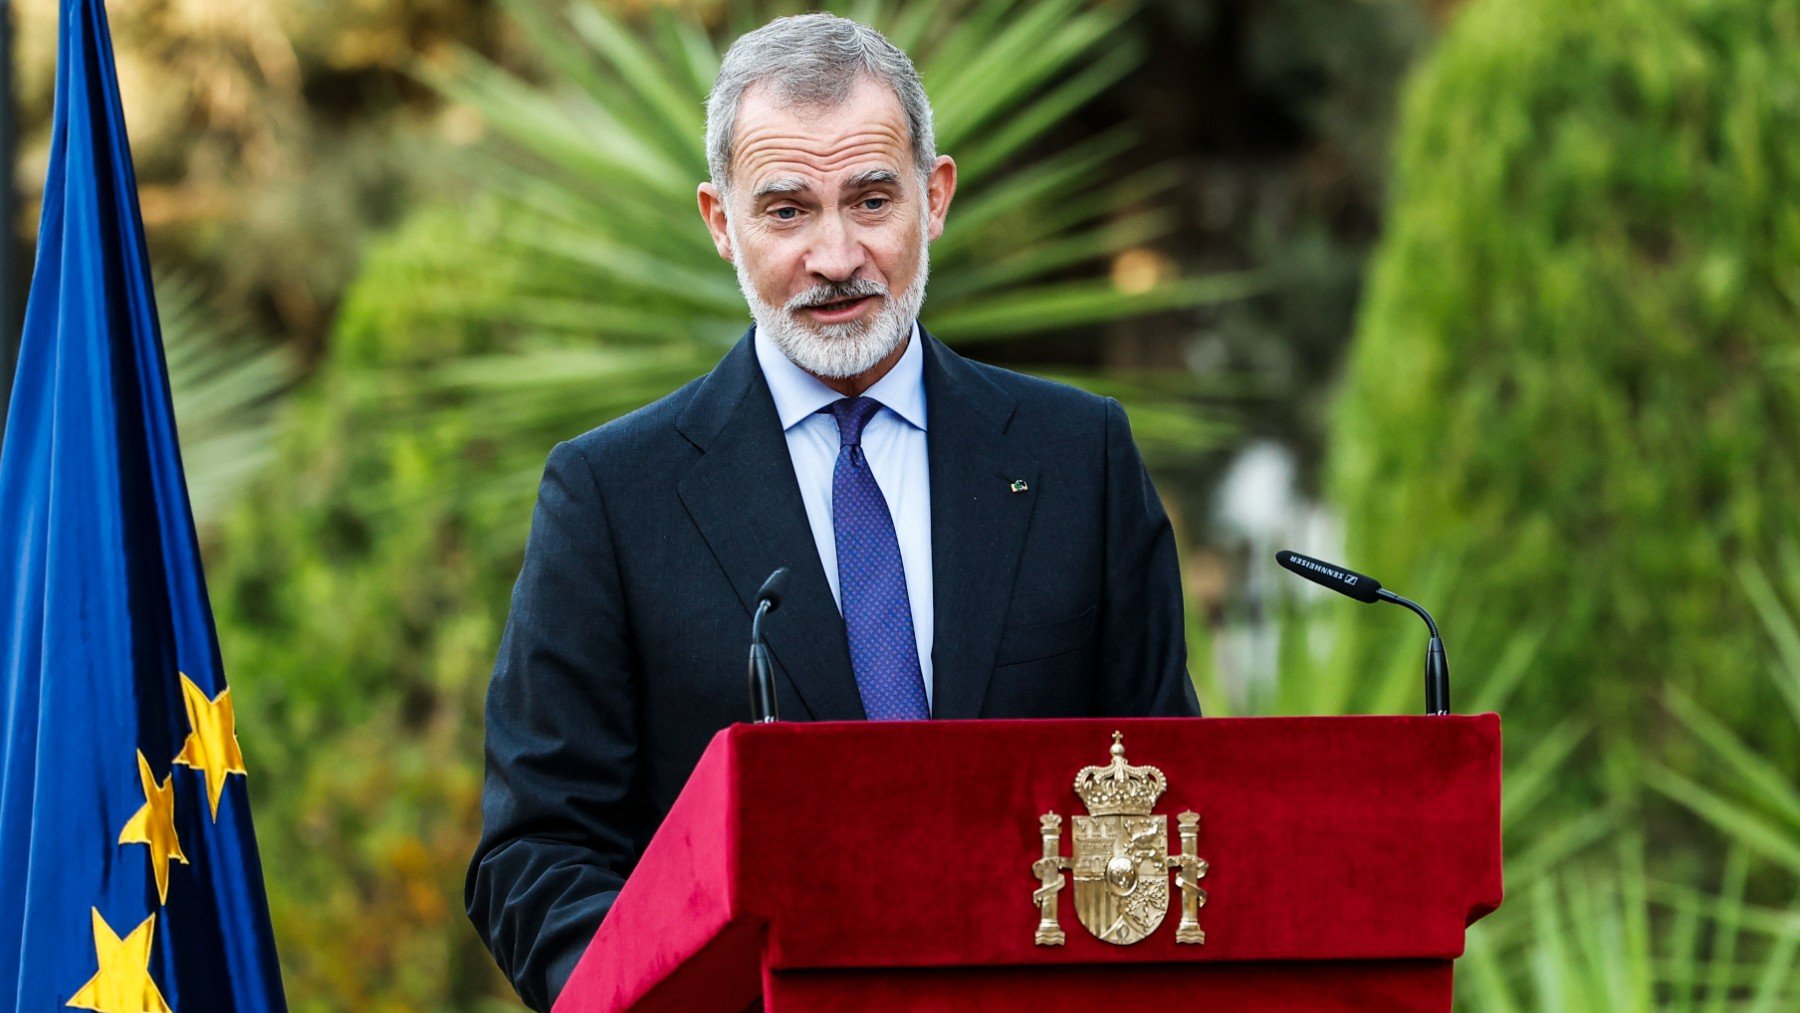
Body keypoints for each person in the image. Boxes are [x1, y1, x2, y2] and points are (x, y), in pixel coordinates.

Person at [466, 12, 1200, 1010]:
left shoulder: (1079, 459)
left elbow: (1169, 789)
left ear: (934, 198)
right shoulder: (610, 496)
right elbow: (537, 850)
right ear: (721, 221)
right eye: (785, 210)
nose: (835, 253)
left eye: (870, 198)